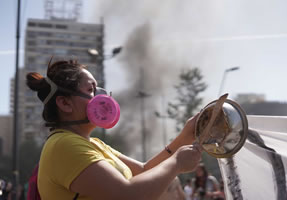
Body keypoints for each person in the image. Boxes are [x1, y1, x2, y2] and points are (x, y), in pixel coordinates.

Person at [26, 58, 203, 200]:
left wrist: (187, 135)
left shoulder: (94, 143)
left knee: (171, 183)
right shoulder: (63, 145)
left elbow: (144, 171)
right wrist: (176, 163)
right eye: (91, 89)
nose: (102, 95)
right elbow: (127, 195)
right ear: (65, 103)